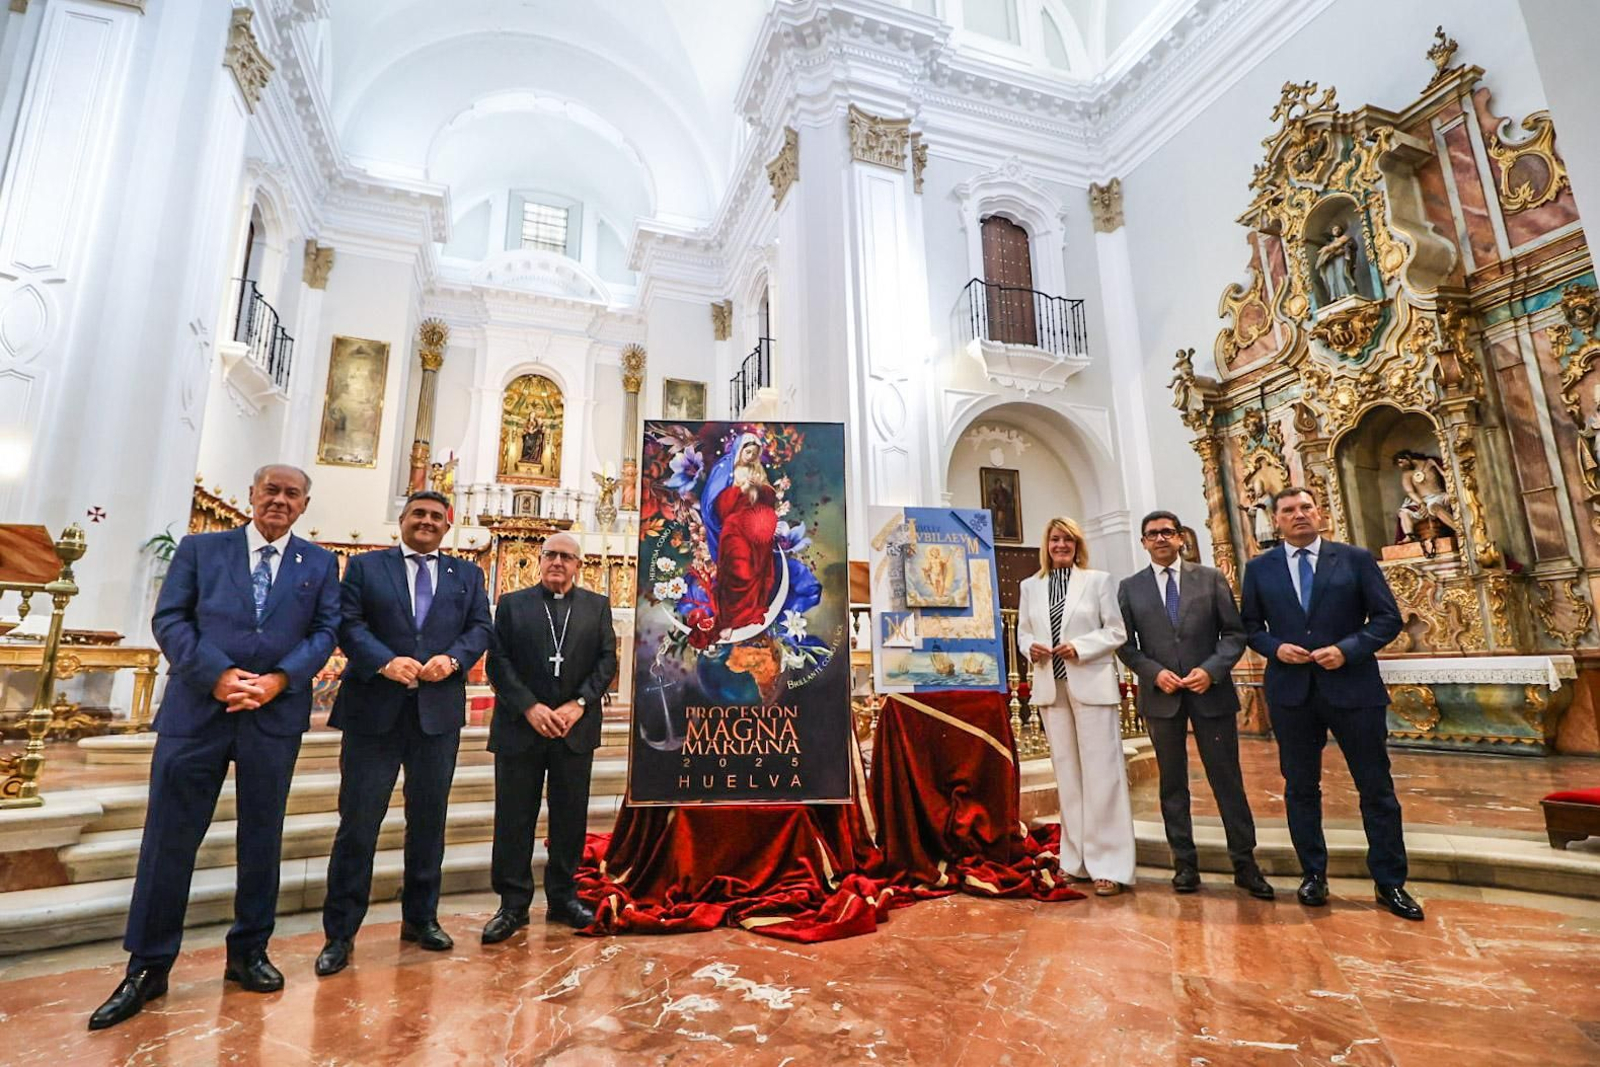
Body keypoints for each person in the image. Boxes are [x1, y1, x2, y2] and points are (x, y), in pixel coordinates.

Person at [89, 465, 340, 1031]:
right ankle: (148, 965)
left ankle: (249, 951)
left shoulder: (319, 564)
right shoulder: (202, 549)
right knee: (168, 839)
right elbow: (170, 618)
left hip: (272, 717)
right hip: (197, 712)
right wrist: (219, 675)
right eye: (270, 491)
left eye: (291, 494)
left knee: (261, 837)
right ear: (251, 496)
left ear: (304, 504)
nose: (279, 500)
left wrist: (277, 680)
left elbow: (325, 632)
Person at [314, 490, 493, 977]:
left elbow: (481, 628)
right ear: (403, 520)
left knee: (429, 821)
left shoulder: (468, 575)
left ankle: (421, 918)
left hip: (436, 715)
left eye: (436, 516)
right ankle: (341, 932)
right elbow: (347, 625)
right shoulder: (368, 568)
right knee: (358, 823)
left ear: (447, 525)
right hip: (374, 711)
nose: (427, 522)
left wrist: (454, 659)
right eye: (419, 514)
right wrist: (385, 662)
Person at [1240, 487, 1422, 921]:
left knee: (1375, 788)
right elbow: (1249, 626)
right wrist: (1275, 647)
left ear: (1319, 513)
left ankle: (1390, 881)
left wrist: (1348, 648)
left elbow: (1387, 619)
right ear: (1276, 521)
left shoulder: (1354, 559)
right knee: (1301, 788)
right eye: (1288, 511)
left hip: (1352, 687)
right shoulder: (1260, 568)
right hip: (1292, 691)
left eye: (1305, 507)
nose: (1298, 515)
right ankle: (1313, 874)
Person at [1116, 510, 1273, 900]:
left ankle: (1245, 864)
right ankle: (1184, 864)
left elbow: (1234, 634)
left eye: (1168, 532)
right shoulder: (1130, 588)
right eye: (1152, 534)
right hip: (1162, 697)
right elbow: (1125, 644)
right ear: (1143, 542)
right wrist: (1153, 672)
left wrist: (1212, 669)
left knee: (1227, 781)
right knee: (1172, 784)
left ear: (1181, 538)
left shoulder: (1210, 579)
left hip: (1210, 693)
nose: (1161, 539)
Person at [482, 531, 617, 938]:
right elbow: (498, 663)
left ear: (580, 565)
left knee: (569, 818)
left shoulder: (597, 607)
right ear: (538, 561)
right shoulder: (512, 604)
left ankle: (563, 898)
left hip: (574, 730)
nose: (558, 562)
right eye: (551, 555)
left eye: (567, 557)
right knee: (513, 817)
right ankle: (512, 904)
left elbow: (607, 659)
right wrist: (530, 707)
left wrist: (578, 705)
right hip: (520, 728)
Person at [1016, 517, 1132, 896]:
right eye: (1054, 539)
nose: (1060, 545)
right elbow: (1024, 632)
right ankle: (1075, 861)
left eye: (1067, 539)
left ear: (1077, 544)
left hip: (1090, 683)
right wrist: (1029, 646)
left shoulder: (1097, 580)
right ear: (1045, 544)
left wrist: (1080, 647)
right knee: (1067, 775)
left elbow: (1116, 631)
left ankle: (1109, 865)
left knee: (1103, 775)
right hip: (1052, 687)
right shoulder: (1030, 586)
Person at [703, 433, 779, 635]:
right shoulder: (726, 470)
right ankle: (728, 620)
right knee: (737, 571)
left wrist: (759, 489)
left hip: (754, 532)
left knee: (756, 572)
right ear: (739, 450)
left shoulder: (758, 471)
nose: (750, 456)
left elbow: (770, 499)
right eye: (747, 451)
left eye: (754, 453)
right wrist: (741, 490)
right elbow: (718, 505)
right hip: (734, 530)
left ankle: (746, 617)